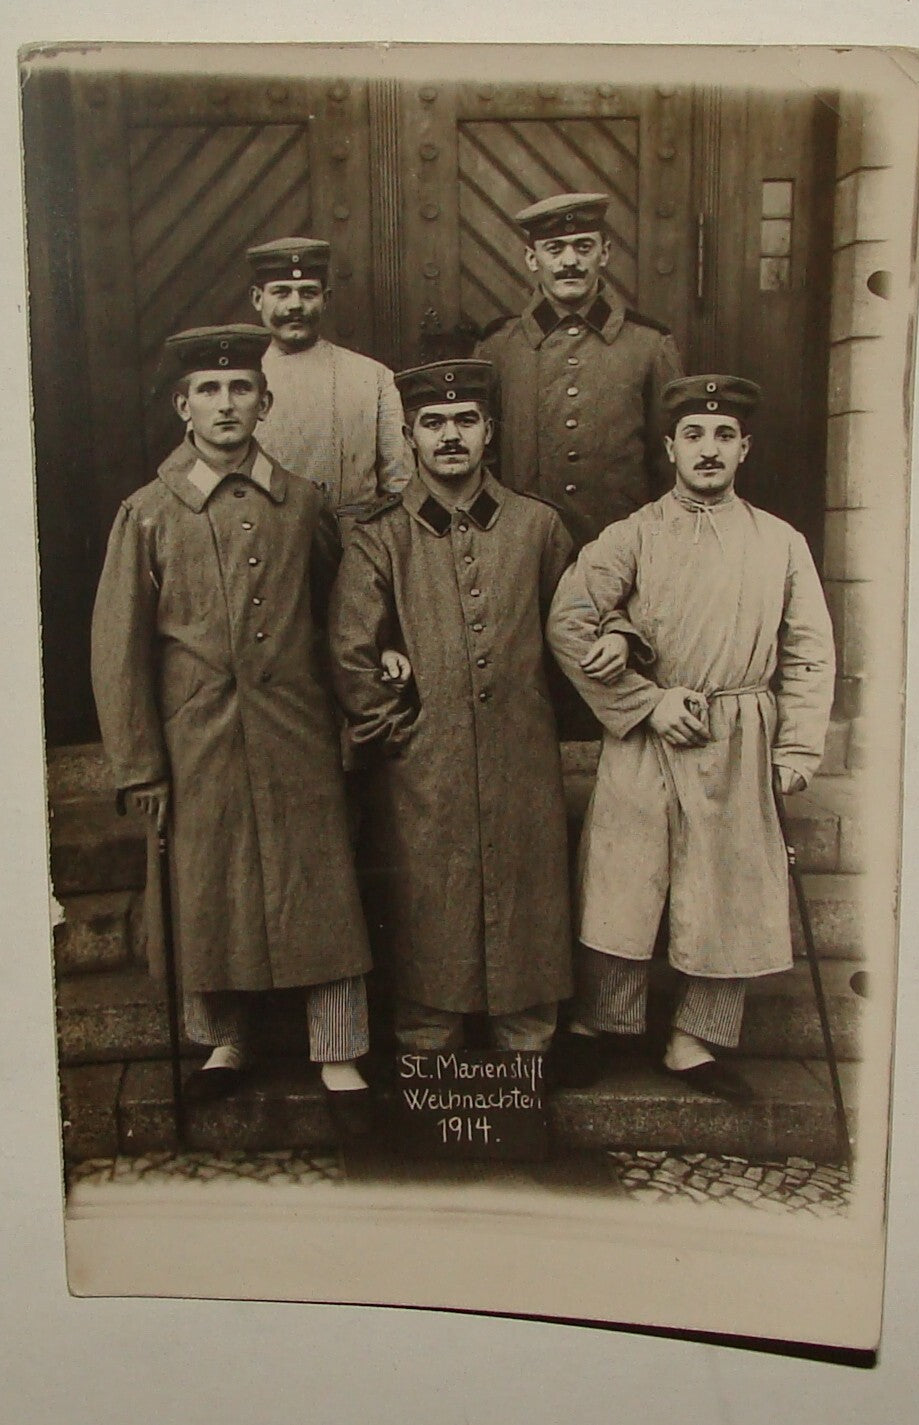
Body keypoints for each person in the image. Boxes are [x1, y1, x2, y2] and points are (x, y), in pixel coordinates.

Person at [90, 323, 400, 1135]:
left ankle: (339, 1047)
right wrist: (139, 764)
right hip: (197, 738)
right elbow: (117, 652)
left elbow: (342, 620)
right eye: (208, 390)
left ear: (266, 402)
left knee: (318, 881)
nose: (226, 405)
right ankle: (224, 1039)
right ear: (181, 406)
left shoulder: (304, 503)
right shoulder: (149, 513)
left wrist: (358, 703)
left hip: (296, 729)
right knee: (209, 886)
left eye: (241, 389)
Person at [546, 375, 836, 1100]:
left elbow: (808, 650)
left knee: (726, 886)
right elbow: (569, 619)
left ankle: (694, 1038)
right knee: (624, 877)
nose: (710, 450)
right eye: (695, 436)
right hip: (650, 734)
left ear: (746, 449)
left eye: (725, 436)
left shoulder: (780, 541)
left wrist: (796, 746)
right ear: (671, 447)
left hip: (739, 735)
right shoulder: (634, 534)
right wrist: (643, 702)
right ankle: (599, 1022)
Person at [328, 359, 574, 1057]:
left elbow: (573, 632)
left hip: (522, 757)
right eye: (433, 423)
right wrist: (395, 728)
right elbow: (350, 648)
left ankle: (527, 1043)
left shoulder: (538, 528)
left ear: (489, 431)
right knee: (429, 896)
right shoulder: (381, 537)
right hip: (423, 768)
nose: (451, 436)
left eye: (465, 420)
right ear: (409, 436)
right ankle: (428, 1045)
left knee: (529, 891)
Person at [475, 192, 684, 551]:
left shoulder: (649, 346)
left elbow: (669, 462)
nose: (569, 261)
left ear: (604, 253)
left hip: (621, 548)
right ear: (531, 258)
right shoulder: (498, 347)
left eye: (583, 246)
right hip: (523, 550)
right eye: (554, 249)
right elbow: (481, 460)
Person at [247, 236, 412, 519]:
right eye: (282, 292)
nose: (296, 305)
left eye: (308, 293)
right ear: (257, 299)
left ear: (326, 300)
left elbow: (400, 482)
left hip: (355, 543)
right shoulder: (237, 386)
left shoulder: (372, 377)